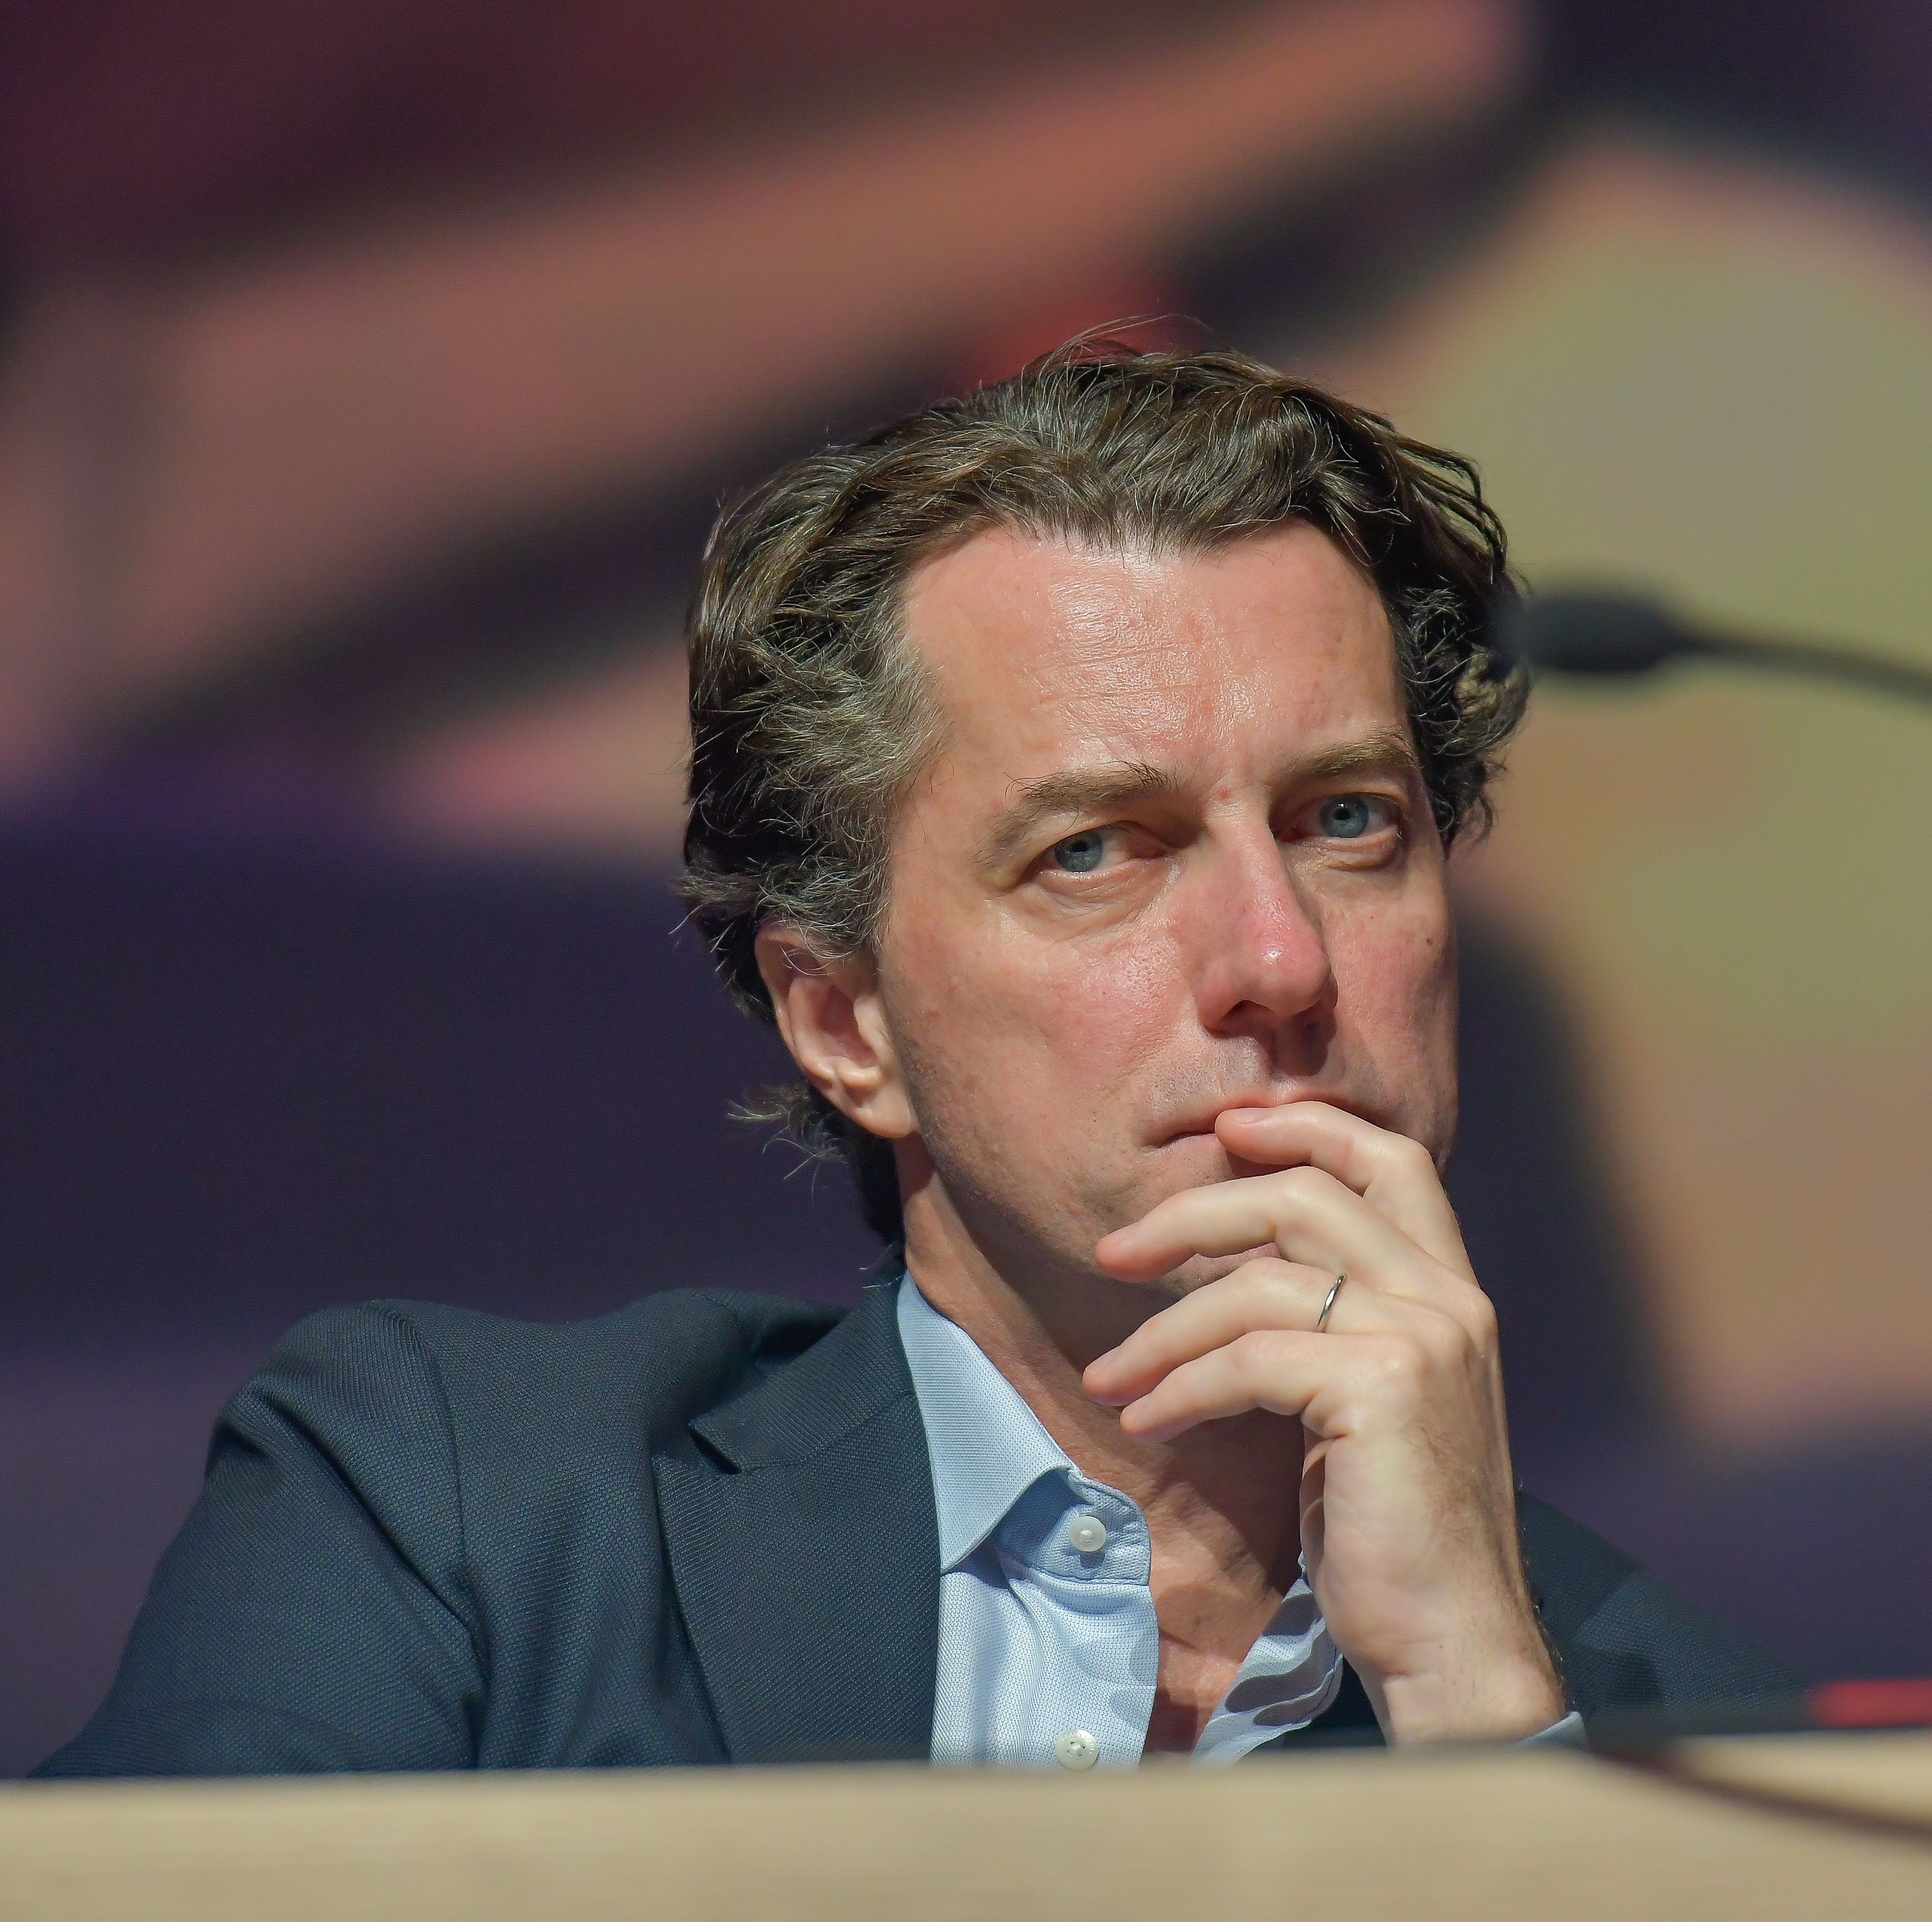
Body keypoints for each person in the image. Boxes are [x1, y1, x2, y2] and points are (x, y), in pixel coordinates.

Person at [40, 345, 1790, 1777]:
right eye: (1096, 851)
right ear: (843, 1022)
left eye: (1346, 821)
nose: (1278, 961)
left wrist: (1479, 1712)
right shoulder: (461, 1522)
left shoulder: (1686, 1730)